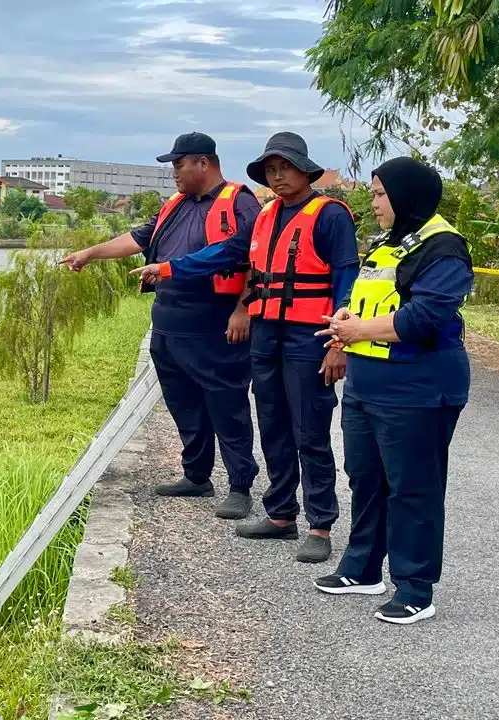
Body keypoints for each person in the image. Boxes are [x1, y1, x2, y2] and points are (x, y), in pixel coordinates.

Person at [130, 132, 359, 563]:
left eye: (285, 168)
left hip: (309, 335)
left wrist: (338, 342)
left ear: (303, 170)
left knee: (309, 432)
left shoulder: (330, 216)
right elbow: (226, 254)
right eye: (271, 170)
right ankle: (281, 514)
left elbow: (347, 277)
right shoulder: (266, 215)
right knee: (272, 423)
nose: (277, 177)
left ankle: (321, 524)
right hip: (266, 330)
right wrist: (168, 267)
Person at [61, 132, 261, 519]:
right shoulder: (175, 205)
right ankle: (197, 476)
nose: (173, 173)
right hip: (169, 323)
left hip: (216, 323)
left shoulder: (239, 203)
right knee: (184, 403)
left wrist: (243, 309)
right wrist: (91, 253)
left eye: (177, 164)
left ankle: (240, 485)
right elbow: (137, 239)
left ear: (203, 163)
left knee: (226, 403)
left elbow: (252, 257)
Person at [310, 156, 473, 626]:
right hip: (367, 383)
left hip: (418, 387)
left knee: (413, 488)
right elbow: (368, 301)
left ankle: (415, 587)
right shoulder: (387, 243)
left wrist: (358, 330)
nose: (375, 202)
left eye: (381, 194)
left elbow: (425, 316)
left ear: (406, 196)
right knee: (365, 477)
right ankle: (362, 568)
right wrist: (345, 319)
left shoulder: (443, 248)